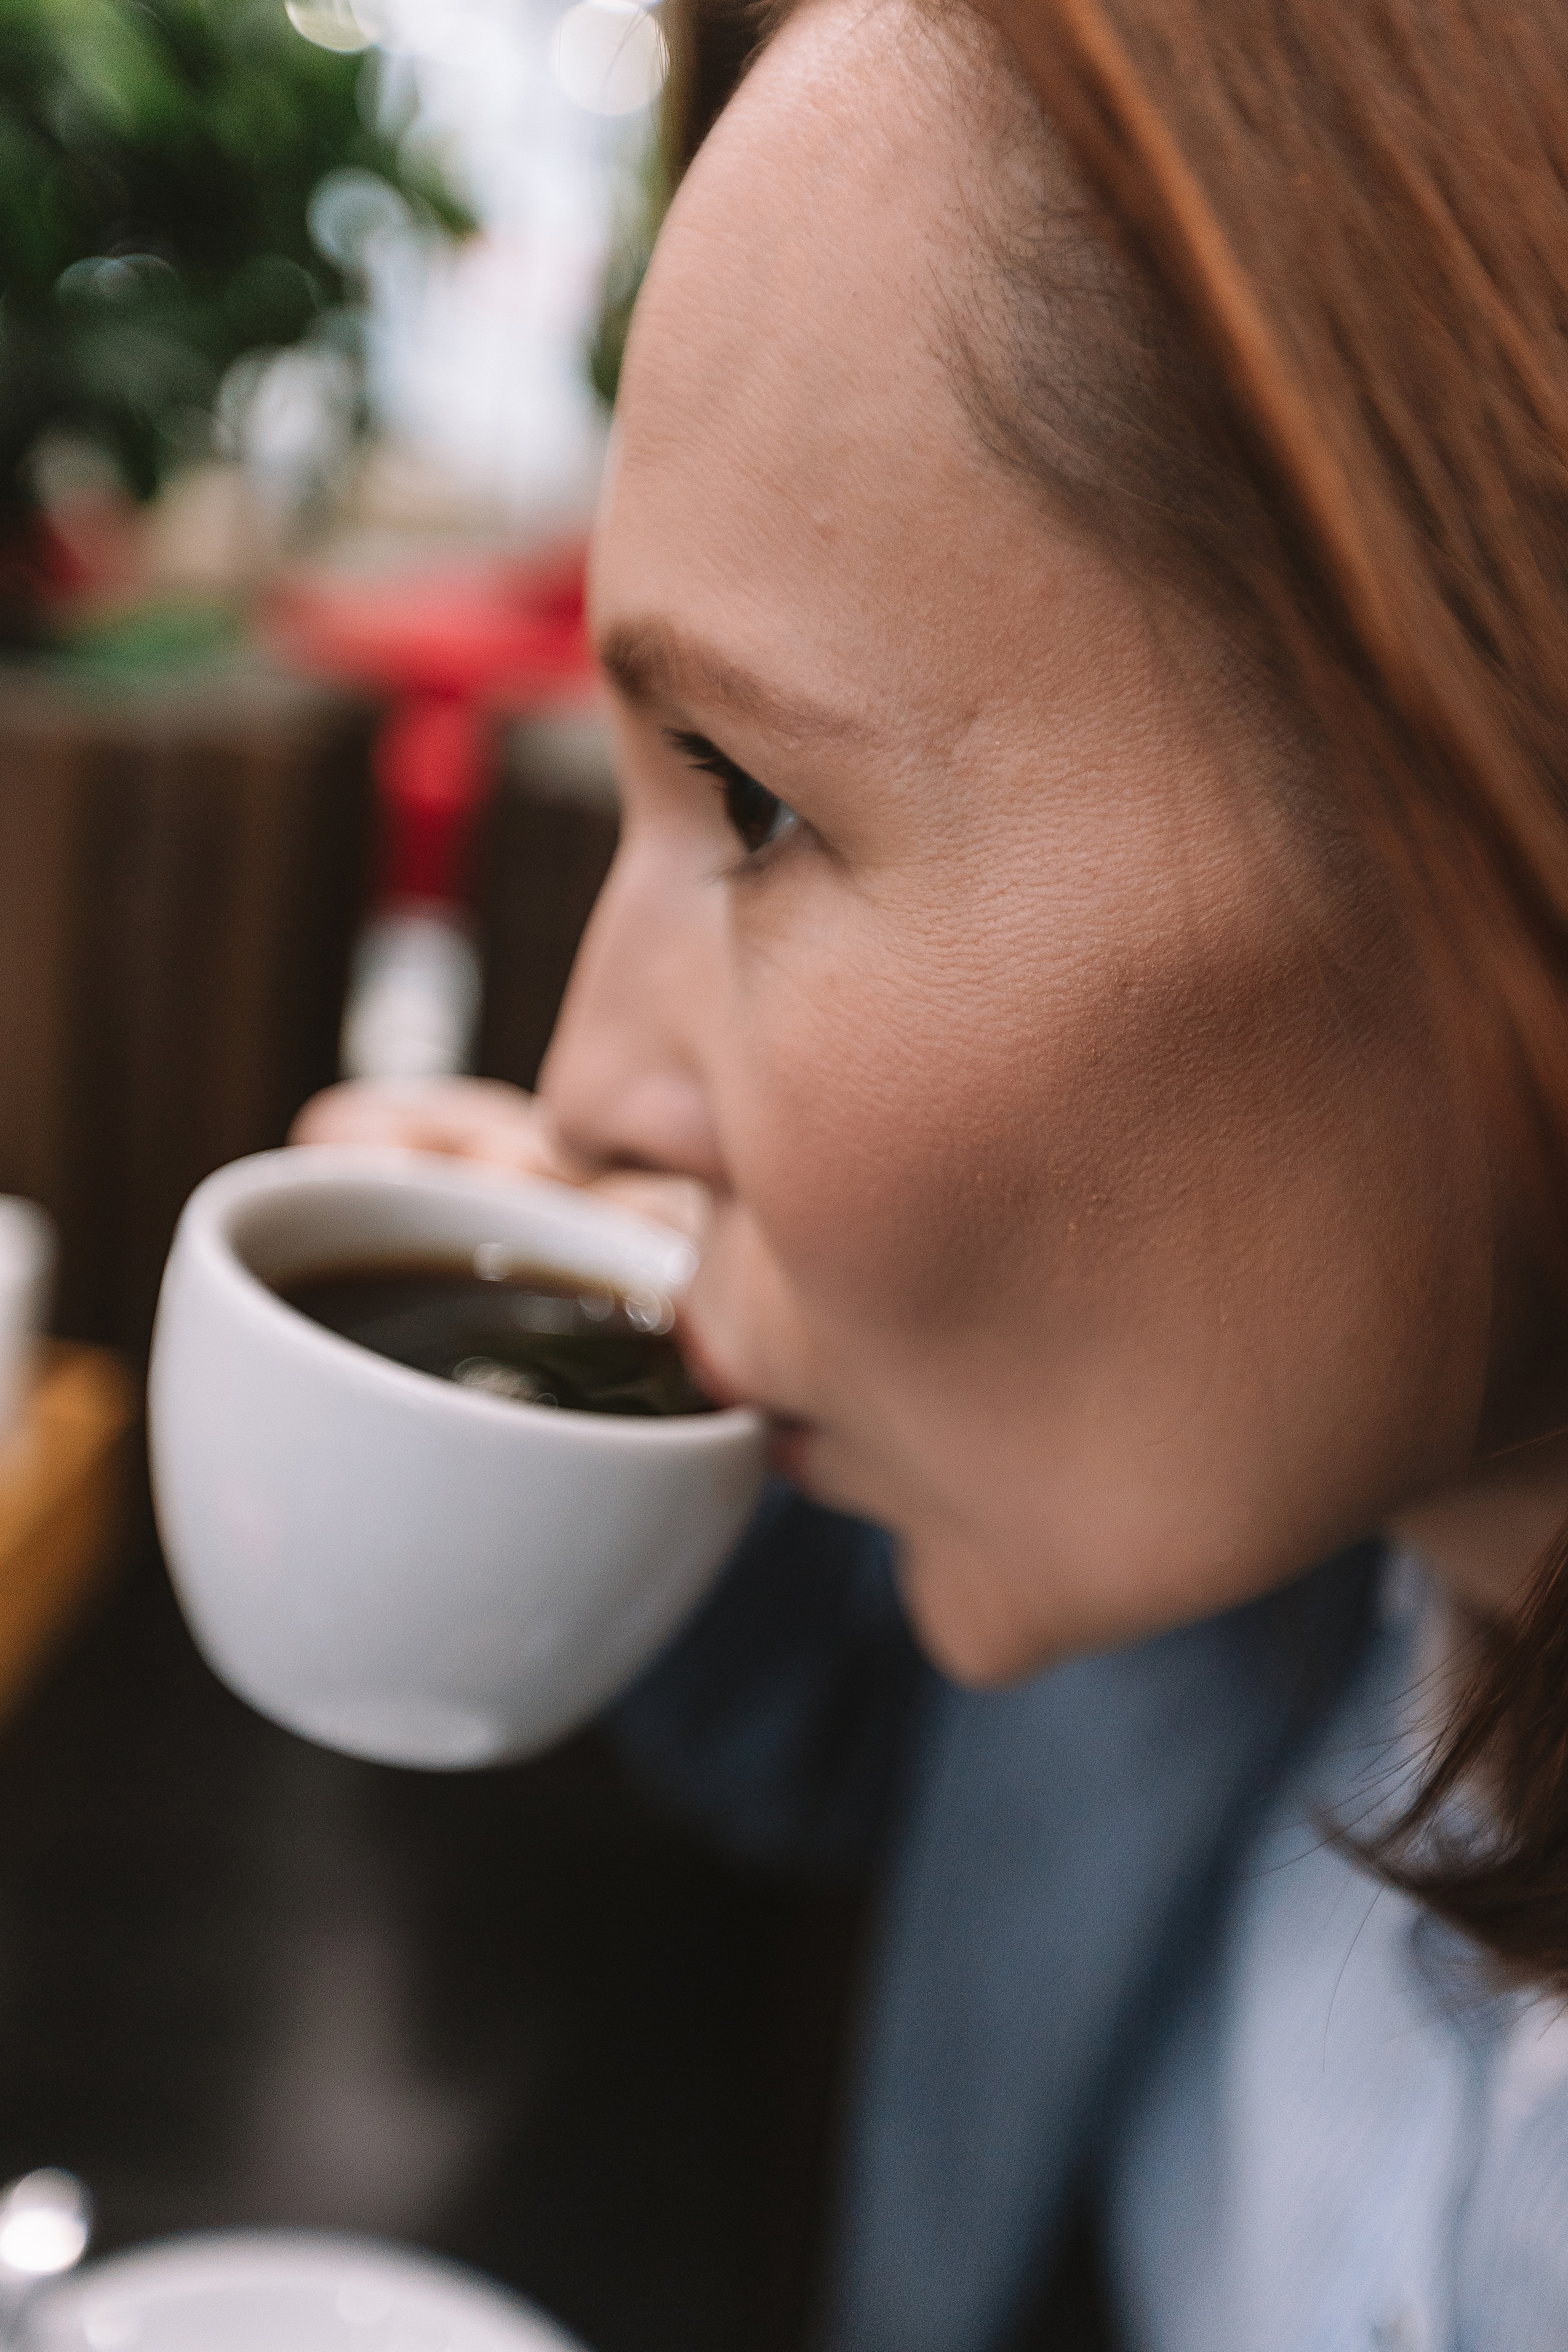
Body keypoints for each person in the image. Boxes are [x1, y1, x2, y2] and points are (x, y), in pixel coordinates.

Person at [296, 0, 1568, 2342]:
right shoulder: (1289, 1586)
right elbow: (933, 1760)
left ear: (1497, 760)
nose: (583, 1088)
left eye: (757, 803)